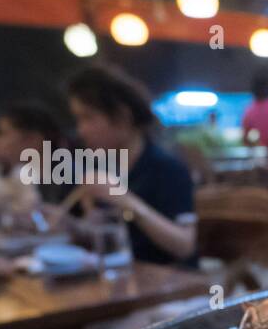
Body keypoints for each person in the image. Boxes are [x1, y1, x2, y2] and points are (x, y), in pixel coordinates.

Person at [66, 65, 196, 265]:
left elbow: (185, 246)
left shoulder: (167, 168)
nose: (81, 130)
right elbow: (107, 236)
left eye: (88, 118)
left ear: (122, 117)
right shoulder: (106, 167)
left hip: (171, 287)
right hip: (123, 283)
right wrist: (75, 224)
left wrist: (123, 199)